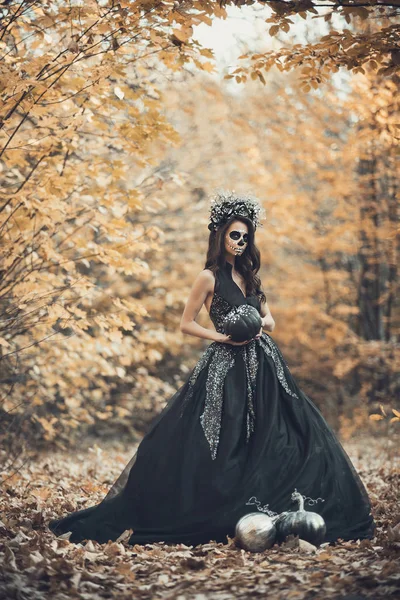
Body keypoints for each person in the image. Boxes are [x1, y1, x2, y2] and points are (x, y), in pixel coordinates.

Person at [48, 191, 376, 546]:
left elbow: (272, 320)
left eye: (246, 237)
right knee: (222, 437)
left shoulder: (249, 276)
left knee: (284, 432)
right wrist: (221, 334)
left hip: (264, 363)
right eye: (235, 235)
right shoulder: (208, 277)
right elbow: (185, 323)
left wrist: (257, 320)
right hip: (225, 365)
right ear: (220, 235)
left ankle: (279, 506)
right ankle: (218, 509)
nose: (240, 242)